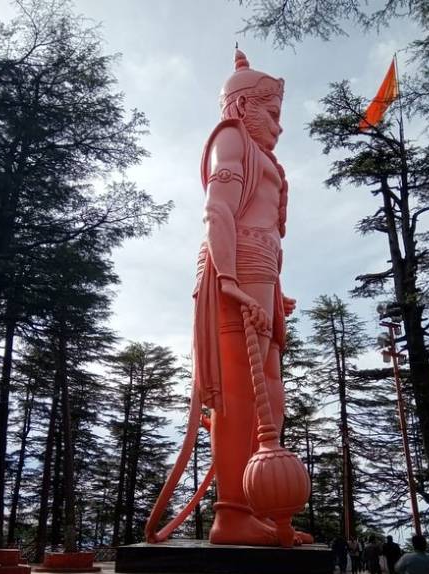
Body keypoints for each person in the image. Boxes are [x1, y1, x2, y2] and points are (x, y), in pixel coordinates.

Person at [145, 48, 308, 547]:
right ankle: (232, 512)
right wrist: (232, 279)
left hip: (263, 274)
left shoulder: (263, 156)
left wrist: (273, 290)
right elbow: (218, 208)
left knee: (270, 396)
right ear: (240, 106)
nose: (279, 128)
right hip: (234, 271)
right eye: (272, 114)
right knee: (240, 394)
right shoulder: (231, 137)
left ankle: (259, 509)